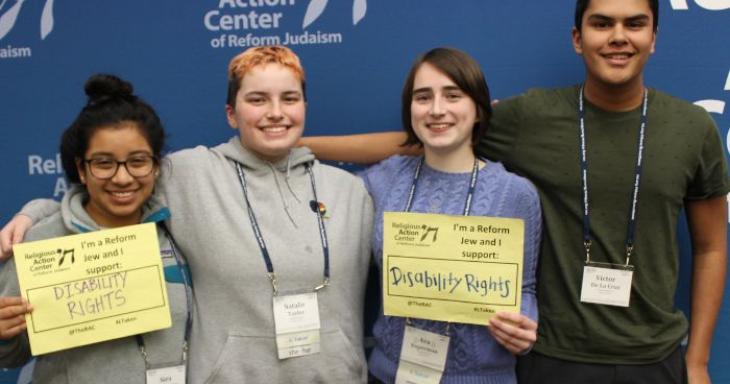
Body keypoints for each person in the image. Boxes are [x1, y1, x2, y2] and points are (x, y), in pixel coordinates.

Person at [299, 1, 729, 383]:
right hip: (552, 356)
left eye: (635, 24)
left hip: (653, 355)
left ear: (654, 37)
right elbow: (429, 135)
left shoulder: (693, 128)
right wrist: (299, 145)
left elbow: (710, 246)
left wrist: (698, 361)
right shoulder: (532, 116)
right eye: (602, 24)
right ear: (578, 39)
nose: (618, 37)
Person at [1, 46, 373, 383]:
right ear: (231, 113)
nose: (275, 112)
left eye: (289, 98)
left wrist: (305, 144)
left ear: (304, 106)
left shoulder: (350, 191)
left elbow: (415, 148)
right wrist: (36, 215)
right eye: (257, 99)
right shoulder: (187, 174)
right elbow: (109, 193)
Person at [361, 47, 541, 384]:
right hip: (390, 374)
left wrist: (522, 325)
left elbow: (525, 288)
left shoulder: (515, 194)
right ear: (410, 110)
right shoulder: (381, 181)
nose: (437, 110)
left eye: (453, 95)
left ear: (478, 110)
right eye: (423, 97)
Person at [0, 74, 192, 383]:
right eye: (104, 163)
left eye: (138, 161)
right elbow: (12, 356)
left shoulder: (181, 229)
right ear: (81, 169)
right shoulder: (38, 241)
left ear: (156, 165)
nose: (122, 178)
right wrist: (4, 335)